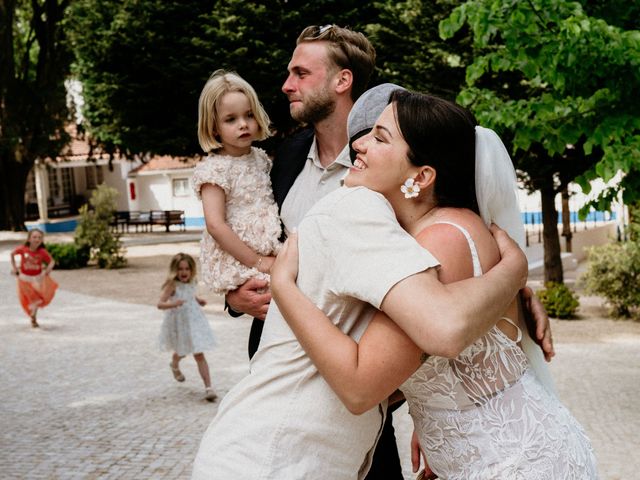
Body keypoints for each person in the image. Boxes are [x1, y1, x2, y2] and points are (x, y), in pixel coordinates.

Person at [223, 25, 552, 479]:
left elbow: (440, 327)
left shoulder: (397, 218)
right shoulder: (288, 158)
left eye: (301, 72)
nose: (286, 85)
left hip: (371, 424)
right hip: (312, 403)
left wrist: (515, 278)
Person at [270, 90, 598, 479]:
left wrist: (284, 287)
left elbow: (361, 386)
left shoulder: (440, 242)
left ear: (421, 176)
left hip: (511, 461)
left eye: (379, 137)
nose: (357, 144)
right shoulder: (426, 234)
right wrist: (438, 426)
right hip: (487, 456)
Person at [192, 69, 282, 296]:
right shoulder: (215, 170)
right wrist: (257, 261)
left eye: (249, 115)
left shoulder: (261, 159)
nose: (243, 124)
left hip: (270, 248)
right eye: (231, 119)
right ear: (214, 127)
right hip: (241, 257)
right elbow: (216, 225)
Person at [158, 253, 217, 402]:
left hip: (194, 322)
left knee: (199, 353)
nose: (184, 272)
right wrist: (174, 303)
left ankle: (208, 387)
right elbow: (160, 304)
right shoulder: (173, 285)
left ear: (191, 270)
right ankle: (174, 364)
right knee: (182, 351)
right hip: (179, 323)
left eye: (187, 269)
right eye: (180, 269)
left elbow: (191, 295)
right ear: (175, 270)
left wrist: (198, 300)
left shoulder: (192, 282)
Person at [10, 228, 58, 328]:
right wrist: (15, 268)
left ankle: (33, 316)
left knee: (37, 298)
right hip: (24, 279)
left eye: (39, 237)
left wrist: (48, 270)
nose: (37, 239)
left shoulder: (42, 252)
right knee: (31, 298)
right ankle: (33, 317)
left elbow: (52, 261)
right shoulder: (23, 249)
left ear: (42, 240)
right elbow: (12, 254)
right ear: (29, 239)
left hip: (37, 278)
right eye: (34, 237)